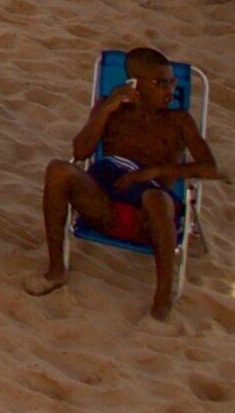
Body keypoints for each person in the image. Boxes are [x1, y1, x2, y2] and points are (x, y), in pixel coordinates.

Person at [26, 45, 218, 317]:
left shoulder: (178, 120)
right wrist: (105, 111)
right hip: (104, 202)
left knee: (157, 198)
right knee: (58, 170)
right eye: (161, 83)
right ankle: (56, 271)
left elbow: (209, 168)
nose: (170, 90)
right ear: (134, 85)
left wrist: (152, 173)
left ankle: (162, 300)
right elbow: (80, 152)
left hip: (148, 212)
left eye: (172, 82)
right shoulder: (110, 108)